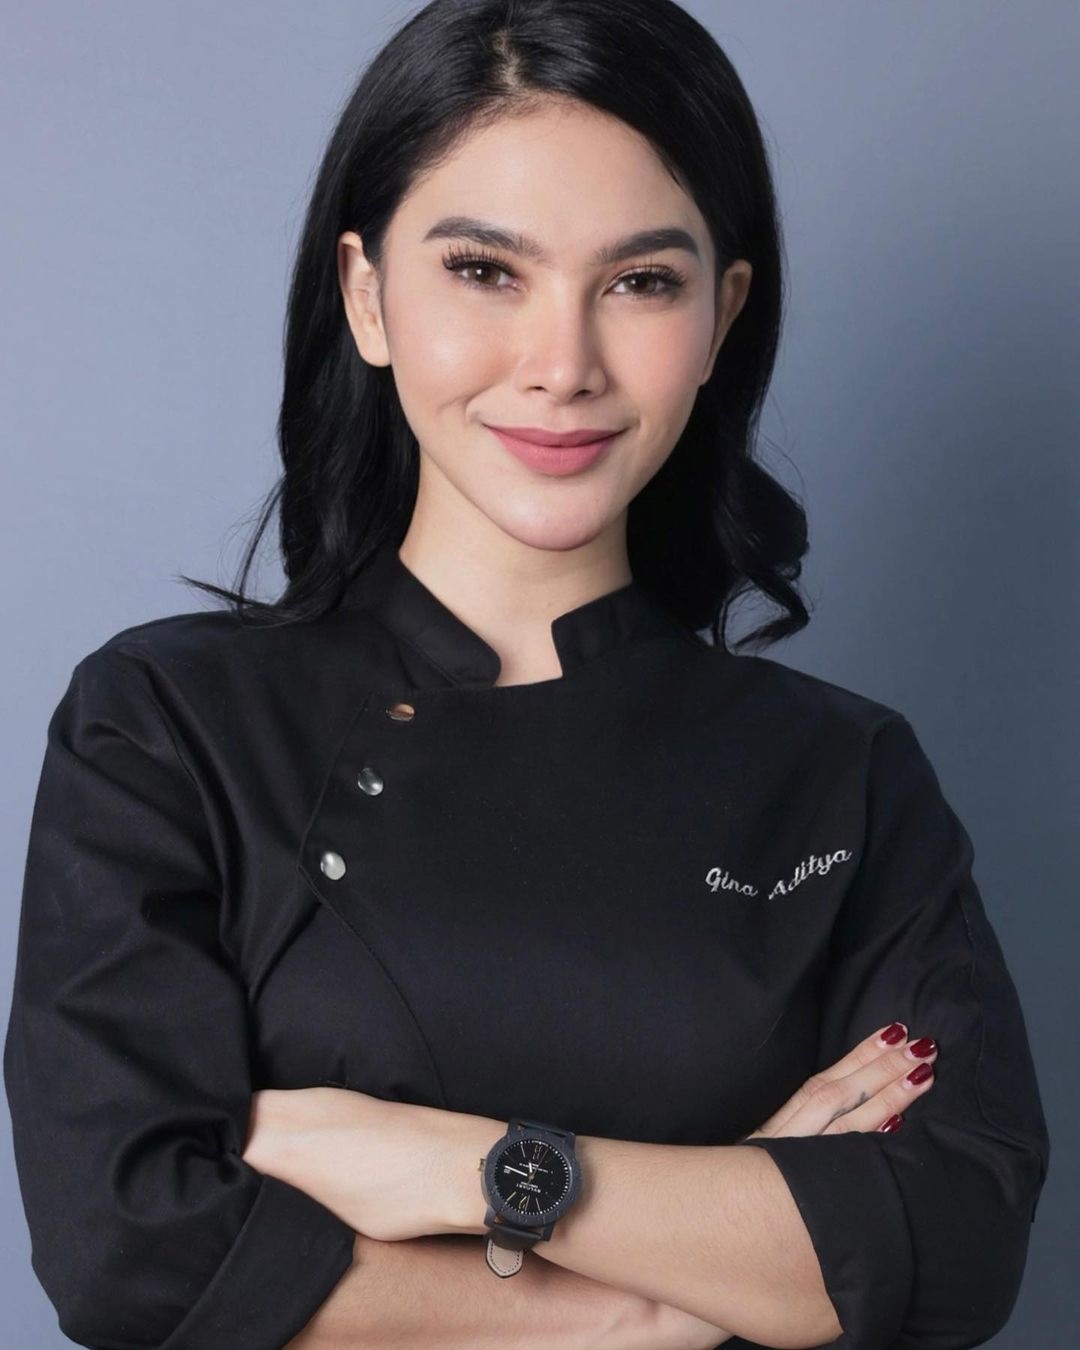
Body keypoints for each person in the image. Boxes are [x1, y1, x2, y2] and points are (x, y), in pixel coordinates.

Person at [4, 1, 1050, 1347]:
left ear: (722, 314)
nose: (564, 366)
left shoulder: (841, 772)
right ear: (367, 297)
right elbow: (131, 1248)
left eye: (641, 281)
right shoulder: (168, 725)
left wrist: (467, 1166)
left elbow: (956, 1239)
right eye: (485, 270)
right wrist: (648, 1312)